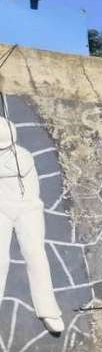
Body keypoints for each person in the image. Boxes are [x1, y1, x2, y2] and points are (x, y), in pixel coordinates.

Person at [0, 114, 64, 334]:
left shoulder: (24, 156)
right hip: (1, 209)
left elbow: (17, 170)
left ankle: (48, 308)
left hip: (28, 209)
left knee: (36, 255)